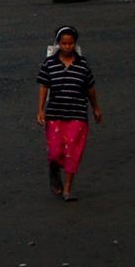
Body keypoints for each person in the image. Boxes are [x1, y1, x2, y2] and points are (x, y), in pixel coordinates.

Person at [36, 24, 102, 201]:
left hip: (77, 113)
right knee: (56, 151)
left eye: (71, 43)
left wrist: (96, 108)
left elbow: (90, 88)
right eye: (64, 44)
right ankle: (54, 170)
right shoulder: (49, 63)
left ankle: (67, 189)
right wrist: (40, 110)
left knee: (73, 151)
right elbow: (44, 86)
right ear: (58, 44)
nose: (67, 47)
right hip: (55, 114)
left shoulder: (82, 64)